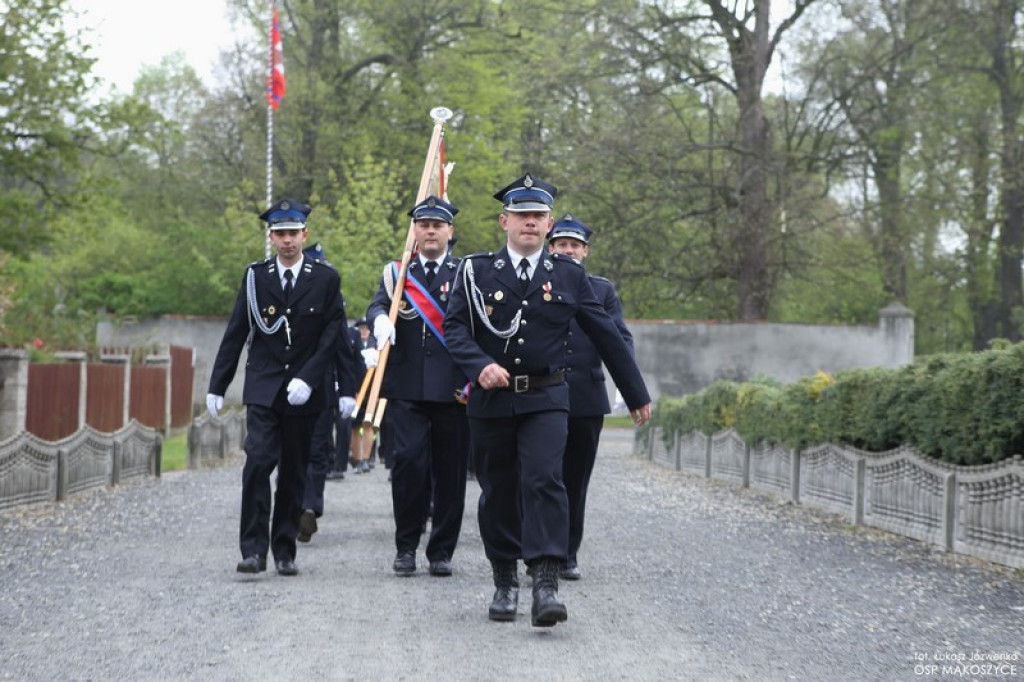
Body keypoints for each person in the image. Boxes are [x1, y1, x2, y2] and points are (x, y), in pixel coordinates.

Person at [443, 173, 651, 627]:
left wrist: (635, 393)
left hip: (547, 396)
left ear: (549, 222)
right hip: (492, 400)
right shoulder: (476, 272)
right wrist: (478, 365)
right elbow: (453, 328)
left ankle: (545, 583)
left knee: (544, 481)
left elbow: (608, 336)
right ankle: (503, 581)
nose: (530, 224)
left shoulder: (571, 276)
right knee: (497, 490)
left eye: (538, 216)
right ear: (504, 221)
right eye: (522, 216)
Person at [206, 198, 347, 576]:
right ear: (271, 237)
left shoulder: (326, 278)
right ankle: (253, 549)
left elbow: (333, 335)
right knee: (258, 462)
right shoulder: (256, 277)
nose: (287, 241)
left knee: (293, 471)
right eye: (280, 234)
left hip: (305, 388)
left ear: (305, 234)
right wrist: (218, 384)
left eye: (293, 233)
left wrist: (310, 377)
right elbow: (238, 330)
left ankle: (284, 549)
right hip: (264, 386)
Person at [366, 195, 471, 577]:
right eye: (423, 225)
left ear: (449, 231)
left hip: (454, 389)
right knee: (408, 466)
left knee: (450, 471)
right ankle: (406, 546)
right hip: (407, 386)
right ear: (415, 231)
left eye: (437, 225)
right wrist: (378, 319)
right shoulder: (397, 274)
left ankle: (441, 550)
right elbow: (377, 305)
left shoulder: (465, 274)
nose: (430, 231)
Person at [546, 214, 633, 581]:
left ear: (585, 251)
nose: (568, 250)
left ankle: (567, 553)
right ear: (550, 249)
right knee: (539, 475)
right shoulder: (538, 284)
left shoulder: (601, 290)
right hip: (543, 393)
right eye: (561, 245)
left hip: (585, 396)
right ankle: (537, 547)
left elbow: (619, 340)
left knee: (575, 480)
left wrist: (627, 386)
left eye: (574, 246)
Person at [297, 243, 360, 543]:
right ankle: (297, 504)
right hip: (287, 386)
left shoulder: (331, 296)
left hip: (321, 386)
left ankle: (308, 507)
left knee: (317, 447)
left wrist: (347, 389)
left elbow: (341, 346)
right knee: (294, 450)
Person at [349, 317, 378, 474]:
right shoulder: (353, 342)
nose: (364, 330)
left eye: (367, 328)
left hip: (372, 391)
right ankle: (358, 459)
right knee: (355, 427)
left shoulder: (376, 344)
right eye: (361, 328)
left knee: (368, 425)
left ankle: (366, 459)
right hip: (356, 389)